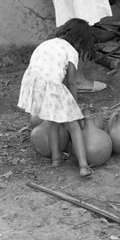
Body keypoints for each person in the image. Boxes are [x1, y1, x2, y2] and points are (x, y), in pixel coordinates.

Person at [17, 18, 94, 177]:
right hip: (51, 85)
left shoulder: (47, 43)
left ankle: (56, 159)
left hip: (33, 84)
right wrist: (74, 107)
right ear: (80, 41)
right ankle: (84, 166)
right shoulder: (71, 51)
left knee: (52, 122)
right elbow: (72, 83)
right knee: (73, 126)